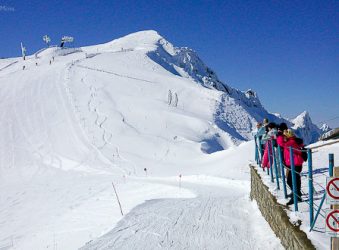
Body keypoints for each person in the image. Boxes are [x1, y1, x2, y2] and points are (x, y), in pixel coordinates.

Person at [280, 129, 305, 205]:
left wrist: (279, 137)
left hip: (295, 164)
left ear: (288, 136)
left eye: (284, 136)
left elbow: (282, 144)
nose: (283, 137)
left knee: (290, 181)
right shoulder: (292, 141)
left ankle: (295, 197)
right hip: (295, 163)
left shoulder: (290, 143)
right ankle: (297, 195)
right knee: (296, 180)